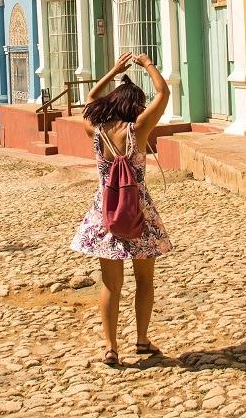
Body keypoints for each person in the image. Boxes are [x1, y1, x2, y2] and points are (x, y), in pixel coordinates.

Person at [70, 51, 172, 366]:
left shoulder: (96, 130)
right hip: (139, 215)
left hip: (105, 217)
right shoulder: (138, 128)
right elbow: (164, 93)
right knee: (144, 281)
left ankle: (110, 347)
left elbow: (89, 97)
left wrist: (113, 71)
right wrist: (147, 64)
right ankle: (141, 340)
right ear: (134, 105)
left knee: (111, 286)